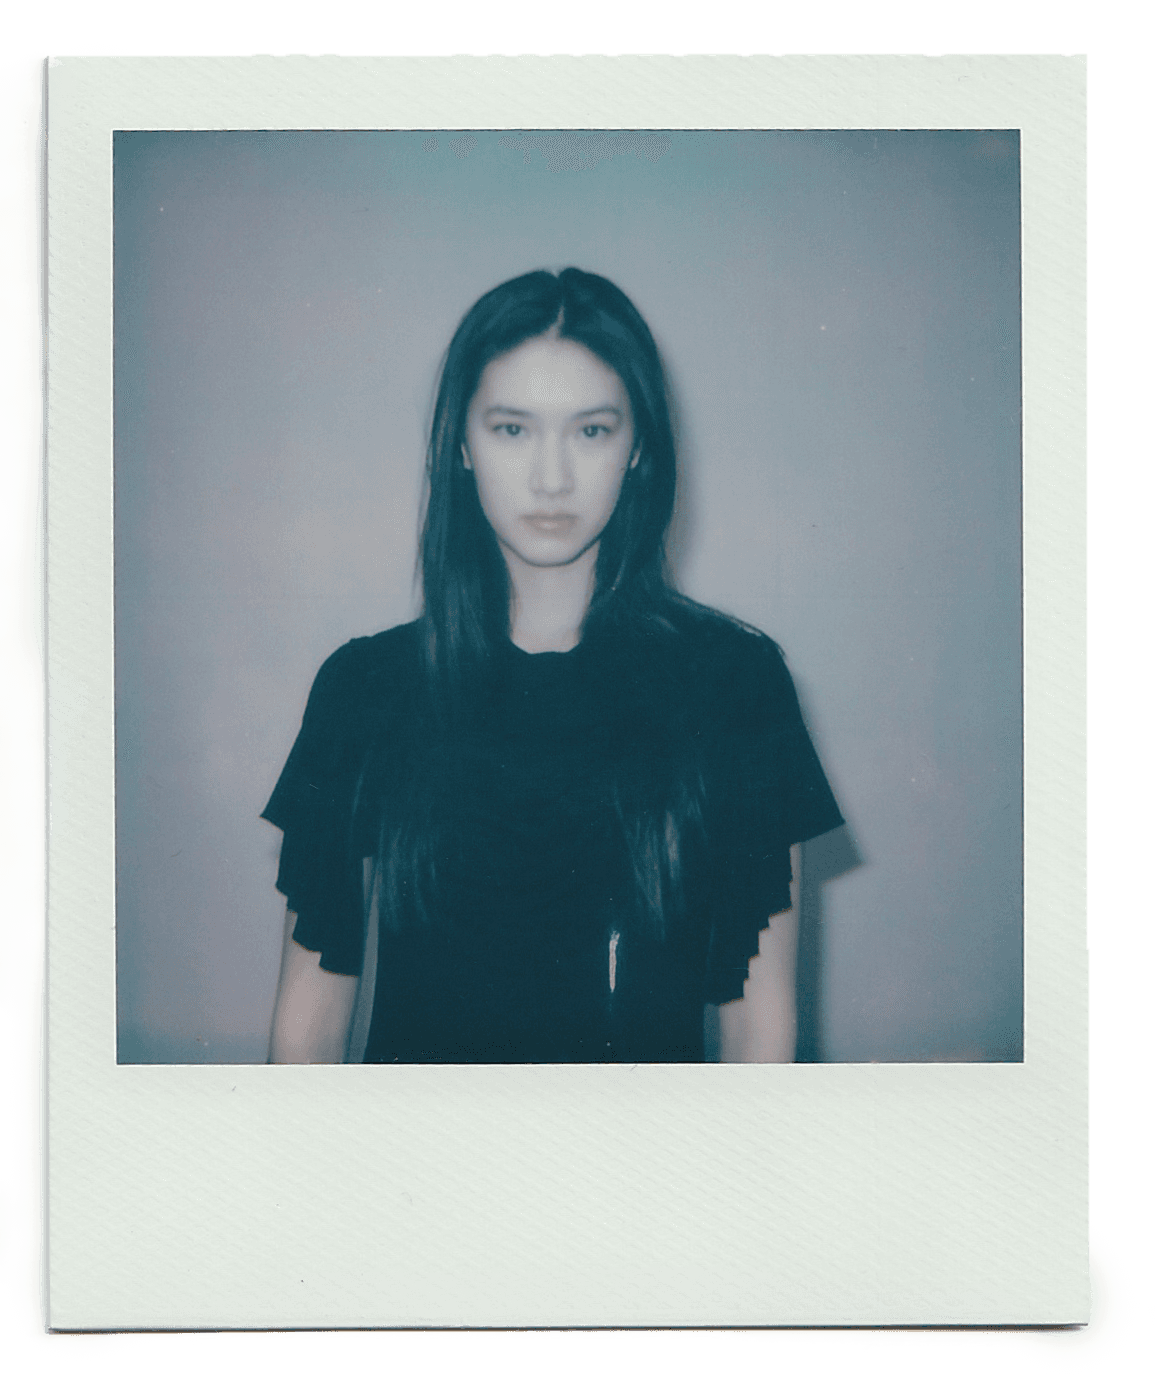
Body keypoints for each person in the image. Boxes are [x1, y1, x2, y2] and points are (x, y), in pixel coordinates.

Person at [264, 267, 842, 1065]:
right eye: (512, 429)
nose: (550, 477)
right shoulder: (365, 688)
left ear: (638, 446)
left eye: (591, 430)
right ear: (461, 444)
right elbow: (307, 1027)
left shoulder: (734, 685)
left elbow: (758, 1032)